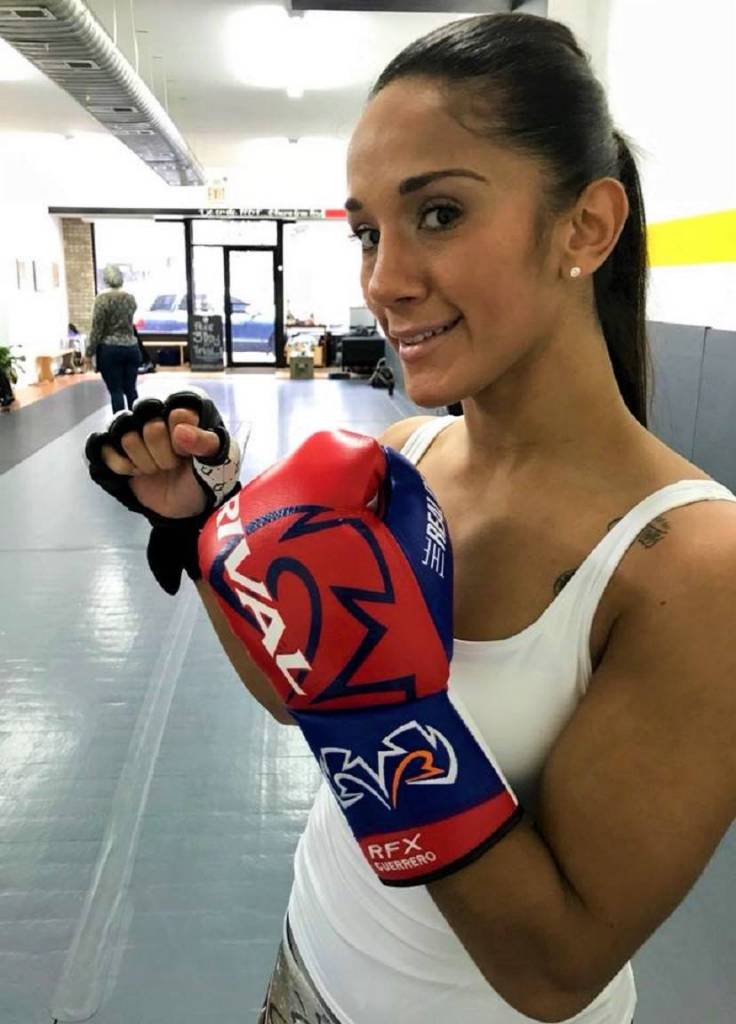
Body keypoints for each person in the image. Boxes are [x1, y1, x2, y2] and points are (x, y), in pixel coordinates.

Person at [84, 13, 736, 1024]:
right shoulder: (403, 459)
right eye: (367, 232)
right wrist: (206, 529)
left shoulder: (695, 565)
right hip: (308, 964)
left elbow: (554, 970)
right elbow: (294, 696)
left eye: (438, 213)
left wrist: (386, 713)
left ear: (585, 228)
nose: (384, 280)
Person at [87, 264, 140, 412]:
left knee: (116, 391)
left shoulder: (102, 299)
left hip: (110, 350)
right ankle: (139, 420)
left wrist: (89, 352)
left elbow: (96, 329)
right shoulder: (130, 298)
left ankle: (120, 423)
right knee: (131, 390)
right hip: (131, 348)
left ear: (105, 279)